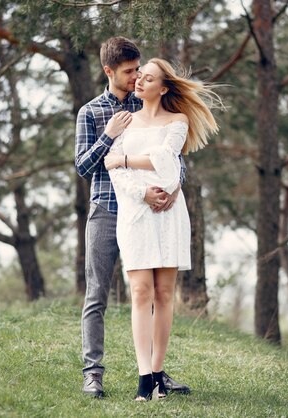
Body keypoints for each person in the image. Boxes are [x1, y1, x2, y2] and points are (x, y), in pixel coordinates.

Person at [75, 37, 190, 398]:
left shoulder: (153, 106)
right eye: (128, 72)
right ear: (108, 71)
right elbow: (83, 166)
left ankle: (156, 373)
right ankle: (93, 373)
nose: (135, 76)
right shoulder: (91, 112)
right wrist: (108, 137)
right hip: (107, 210)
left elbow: (176, 161)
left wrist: (171, 190)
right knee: (97, 294)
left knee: (156, 292)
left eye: (138, 70)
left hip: (152, 211)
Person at [104, 58, 221, 401]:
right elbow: (114, 173)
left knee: (164, 294)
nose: (139, 81)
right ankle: (144, 378)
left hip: (170, 213)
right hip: (136, 211)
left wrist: (125, 159)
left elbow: (168, 163)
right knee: (141, 292)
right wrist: (142, 190)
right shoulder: (124, 122)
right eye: (139, 76)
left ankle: (158, 372)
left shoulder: (178, 121)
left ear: (164, 87)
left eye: (148, 78)